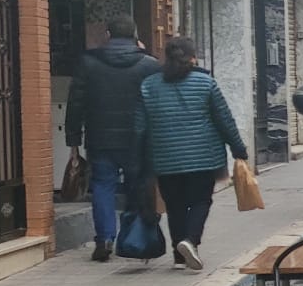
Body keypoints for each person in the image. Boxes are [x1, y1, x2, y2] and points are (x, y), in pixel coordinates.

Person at [136, 37, 249, 271]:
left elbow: (139, 126)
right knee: (200, 200)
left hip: (165, 158)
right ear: (192, 57)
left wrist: (138, 158)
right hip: (204, 158)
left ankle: (178, 256)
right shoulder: (206, 83)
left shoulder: (149, 85)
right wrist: (238, 149)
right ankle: (190, 241)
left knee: (174, 205)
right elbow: (224, 121)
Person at [66, 15, 161, 262]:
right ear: (135, 36)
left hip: (101, 138)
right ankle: (134, 237)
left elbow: (75, 103)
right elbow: (158, 104)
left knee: (102, 186)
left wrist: (73, 139)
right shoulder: (149, 65)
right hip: (138, 141)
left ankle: (105, 238)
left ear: (107, 35)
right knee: (136, 187)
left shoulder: (88, 63)